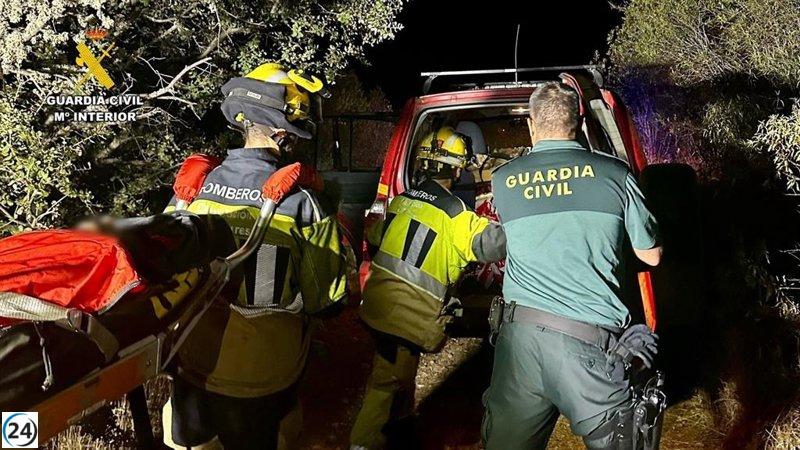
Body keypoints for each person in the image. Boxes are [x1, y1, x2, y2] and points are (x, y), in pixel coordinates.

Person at [161, 63, 351, 450]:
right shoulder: (302, 204)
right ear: (283, 132)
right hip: (263, 378)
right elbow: (326, 300)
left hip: (193, 367)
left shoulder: (193, 191)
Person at [482, 82, 662, 450]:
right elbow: (652, 255)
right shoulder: (616, 174)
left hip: (520, 346)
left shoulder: (503, 180)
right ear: (580, 122)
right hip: (590, 350)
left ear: (531, 125)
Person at [350, 126, 506, 450]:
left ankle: (400, 429)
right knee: (386, 383)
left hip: (379, 304)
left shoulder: (401, 201)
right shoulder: (456, 214)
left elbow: (376, 238)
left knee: (397, 372)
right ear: (458, 169)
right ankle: (364, 443)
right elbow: (493, 245)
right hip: (409, 315)